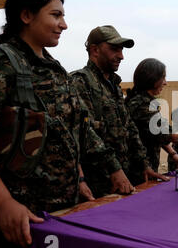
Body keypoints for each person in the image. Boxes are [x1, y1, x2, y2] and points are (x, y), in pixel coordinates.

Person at [0, 0, 125, 248]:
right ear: (26, 16)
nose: (64, 24)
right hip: (16, 221)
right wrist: (2, 203)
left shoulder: (54, 68)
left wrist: (110, 170)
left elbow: (80, 127)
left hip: (57, 213)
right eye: (55, 15)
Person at [70, 25, 167, 196]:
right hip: (98, 183)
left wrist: (145, 165)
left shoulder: (113, 87)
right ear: (95, 50)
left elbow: (129, 128)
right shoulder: (80, 83)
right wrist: (114, 169)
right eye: (114, 49)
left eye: (121, 50)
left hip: (123, 178)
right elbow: (87, 133)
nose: (121, 56)